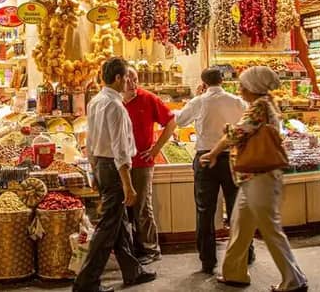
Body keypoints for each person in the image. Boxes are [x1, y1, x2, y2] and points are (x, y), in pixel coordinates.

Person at [200, 67, 307, 292]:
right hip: (252, 178)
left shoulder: (260, 106)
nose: (240, 89)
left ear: (253, 88)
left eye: (243, 85)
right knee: (240, 224)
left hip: (261, 178)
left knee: (270, 229)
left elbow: (237, 133)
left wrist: (214, 149)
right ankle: (234, 272)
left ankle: (294, 279)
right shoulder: (265, 105)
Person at [73, 57, 155, 292]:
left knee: (119, 222)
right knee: (108, 226)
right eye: (126, 76)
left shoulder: (96, 101)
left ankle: (132, 272)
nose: (129, 80)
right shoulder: (116, 106)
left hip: (100, 164)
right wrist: (128, 185)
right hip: (113, 168)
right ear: (118, 78)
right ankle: (86, 281)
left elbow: (89, 140)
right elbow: (120, 150)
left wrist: (94, 170)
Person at [175, 66, 250, 274]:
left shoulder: (199, 101)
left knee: (205, 210)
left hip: (206, 158)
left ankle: (207, 260)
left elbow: (180, 120)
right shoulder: (236, 101)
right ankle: (246, 252)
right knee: (236, 207)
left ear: (204, 82)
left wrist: (195, 99)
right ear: (222, 80)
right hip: (231, 157)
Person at [122, 67, 176, 265]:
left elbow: (171, 122)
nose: (133, 84)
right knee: (124, 208)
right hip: (120, 164)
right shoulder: (114, 102)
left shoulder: (149, 98)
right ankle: (132, 248)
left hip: (142, 162)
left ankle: (151, 249)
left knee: (142, 206)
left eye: (135, 79)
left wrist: (155, 149)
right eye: (129, 80)